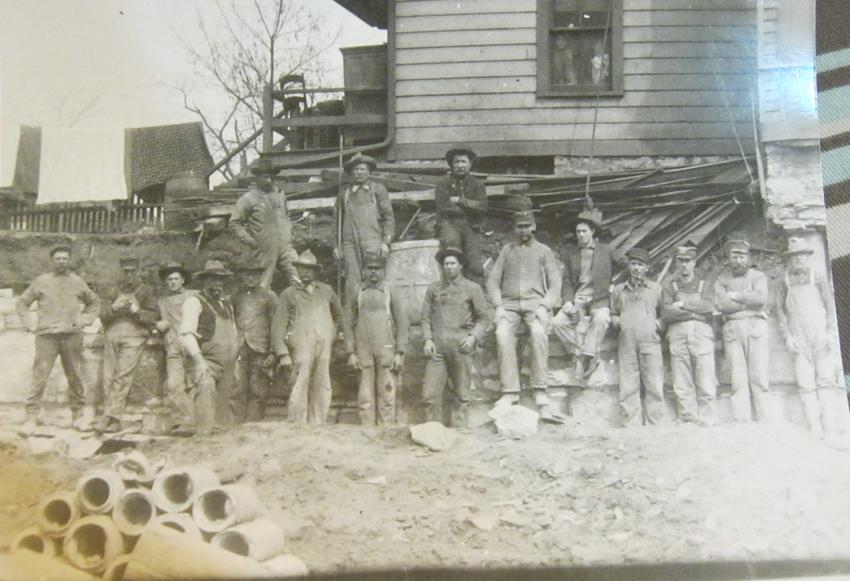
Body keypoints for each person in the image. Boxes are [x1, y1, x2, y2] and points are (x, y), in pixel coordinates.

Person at [16, 244, 100, 433]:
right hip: (47, 337)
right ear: (52, 261)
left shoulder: (77, 281)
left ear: (69, 260)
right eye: (58, 258)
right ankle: (30, 418)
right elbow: (22, 302)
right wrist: (29, 323)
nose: (61, 261)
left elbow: (94, 301)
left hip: (71, 336)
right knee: (40, 376)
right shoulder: (41, 281)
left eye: (64, 258)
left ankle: (78, 417)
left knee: (75, 376)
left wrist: (85, 319)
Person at [486, 210, 562, 418]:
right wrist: (499, 306)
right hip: (509, 305)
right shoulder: (506, 251)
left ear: (534, 227)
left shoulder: (544, 251)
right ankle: (510, 392)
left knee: (538, 333)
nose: (524, 230)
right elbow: (492, 282)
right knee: (502, 334)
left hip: (534, 304)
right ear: (515, 228)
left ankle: (540, 389)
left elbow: (555, 284)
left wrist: (544, 306)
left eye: (527, 226)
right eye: (520, 226)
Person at [775, 237, 840, 436]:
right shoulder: (783, 282)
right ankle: (815, 426)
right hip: (799, 339)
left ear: (807, 256)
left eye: (802, 255)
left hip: (820, 336)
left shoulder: (818, 277)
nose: (798, 259)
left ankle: (830, 425)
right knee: (806, 384)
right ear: (790, 259)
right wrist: (788, 337)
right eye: (794, 256)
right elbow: (780, 312)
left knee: (826, 381)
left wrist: (830, 333)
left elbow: (831, 307)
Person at [420, 248, 491, 427]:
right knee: (430, 393)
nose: (449, 267)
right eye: (446, 264)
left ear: (460, 266)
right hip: (437, 346)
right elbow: (425, 317)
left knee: (462, 393)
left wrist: (473, 337)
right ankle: (432, 430)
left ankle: (459, 431)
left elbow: (484, 317)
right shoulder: (433, 288)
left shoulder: (472, 288)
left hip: (461, 344)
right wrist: (427, 339)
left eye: (453, 263)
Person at [272, 250, 343, 424]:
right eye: (302, 269)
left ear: (316, 272)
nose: (305, 272)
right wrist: (283, 354)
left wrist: (331, 335)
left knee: (322, 384)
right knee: (300, 383)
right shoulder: (288, 294)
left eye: (309, 269)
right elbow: (277, 327)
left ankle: (318, 424)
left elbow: (340, 316)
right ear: (296, 270)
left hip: (323, 346)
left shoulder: (326, 291)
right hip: (300, 346)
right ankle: (297, 425)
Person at [551, 208, 619, 381]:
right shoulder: (571, 253)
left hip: (599, 299)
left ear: (593, 232)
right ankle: (584, 354)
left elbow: (625, 266)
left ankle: (584, 357)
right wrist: (567, 301)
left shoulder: (606, 250)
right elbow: (566, 280)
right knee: (558, 322)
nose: (580, 235)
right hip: (579, 299)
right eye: (578, 231)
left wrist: (614, 284)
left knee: (602, 319)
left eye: (584, 231)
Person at [94, 258, 160, 433]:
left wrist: (136, 311)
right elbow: (102, 315)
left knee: (123, 376)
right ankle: (114, 420)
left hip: (134, 337)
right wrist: (114, 308)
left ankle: (108, 417)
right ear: (122, 272)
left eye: (132, 272)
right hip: (112, 336)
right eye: (126, 272)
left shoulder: (147, 291)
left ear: (138, 271)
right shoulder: (113, 290)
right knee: (108, 378)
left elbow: (154, 316)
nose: (129, 275)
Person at [343, 253, 409, 425]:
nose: (373, 273)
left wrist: (400, 352)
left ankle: (385, 433)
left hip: (386, 350)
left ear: (383, 271)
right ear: (363, 271)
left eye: (377, 269)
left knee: (387, 394)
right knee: (365, 397)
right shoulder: (356, 291)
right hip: (363, 350)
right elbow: (347, 323)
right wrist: (350, 352)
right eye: (369, 269)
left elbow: (403, 323)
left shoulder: (390, 291)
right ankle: (368, 433)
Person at [179, 260, 240, 436]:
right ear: (204, 281)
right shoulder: (195, 302)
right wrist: (199, 362)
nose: (217, 284)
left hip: (227, 366)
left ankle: (219, 450)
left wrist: (236, 361)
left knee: (222, 415)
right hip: (207, 364)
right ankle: (202, 440)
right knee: (205, 396)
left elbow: (233, 333)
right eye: (212, 279)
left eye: (220, 280)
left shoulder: (226, 305)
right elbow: (186, 335)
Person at [714, 239, 771, 422]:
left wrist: (736, 296)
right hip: (731, 330)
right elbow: (722, 305)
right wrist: (747, 303)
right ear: (729, 258)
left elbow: (760, 299)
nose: (738, 261)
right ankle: (742, 422)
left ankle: (764, 420)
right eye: (734, 256)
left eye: (742, 256)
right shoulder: (722, 280)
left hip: (756, 328)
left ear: (748, 257)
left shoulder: (758, 276)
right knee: (737, 379)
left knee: (759, 376)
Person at [661, 244, 716, 426]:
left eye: (688, 261)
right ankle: (687, 416)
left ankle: (708, 416)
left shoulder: (704, 284)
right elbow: (667, 313)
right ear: (676, 263)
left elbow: (708, 307)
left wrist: (682, 305)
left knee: (705, 376)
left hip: (701, 333)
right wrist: (694, 311)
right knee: (681, 378)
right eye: (680, 261)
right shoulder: (670, 286)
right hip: (677, 333)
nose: (684, 265)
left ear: (694, 263)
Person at [610, 247, 665, 427]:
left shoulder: (655, 289)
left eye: (640, 265)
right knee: (628, 384)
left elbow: (665, 314)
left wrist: (657, 324)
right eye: (633, 264)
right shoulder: (619, 290)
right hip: (626, 342)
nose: (636, 268)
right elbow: (613, 312)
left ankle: (655, 423)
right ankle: (631, 423)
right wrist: (618, 321)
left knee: (654, 383)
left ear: (647, 268)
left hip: (650, 342)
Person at [230, 158, 299, 290]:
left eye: (271, 177)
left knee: (298, 280)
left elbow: (286, 216)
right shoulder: (248, 199)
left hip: (286, 247)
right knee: (263, 286)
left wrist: (290, 233)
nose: (269, 180)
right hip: (264, 249)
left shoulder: (279, 194)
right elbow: (234, 223)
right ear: (257, 178)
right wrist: (251, 241)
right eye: (265, 177)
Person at [335, 153, 395, 300]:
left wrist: (386, 242)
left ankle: (379, 314)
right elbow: (336, 222)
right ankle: (352, 318)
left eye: (363, 169)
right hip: (349, 244)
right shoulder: (344, 194)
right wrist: (336, 246)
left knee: (374, 277)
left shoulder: (378, 190)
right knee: (352, 281)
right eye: (356, 170)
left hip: (373, 241)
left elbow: (389, 217)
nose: (359, 173)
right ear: (351, 173)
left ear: (369, 172)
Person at [434, 145, 488, 283]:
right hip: (449, 224)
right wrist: (471, 206)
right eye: (456, 162)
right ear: (452, 164)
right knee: (453, 259)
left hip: (471, 225)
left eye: (463, 162)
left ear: (470, 164)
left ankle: (476, 295)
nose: (460, 165)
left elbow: (482, 206)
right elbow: (444, 207)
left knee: (474, 263)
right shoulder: (443, 183)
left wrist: (460, 200)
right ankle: (452, 292)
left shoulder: (477, 184)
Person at [231, 264, 278, 423]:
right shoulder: (236, 297)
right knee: (237, 386)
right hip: (239, 347)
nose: (250, 278)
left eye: (254, 275)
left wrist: (273, 352)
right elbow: (231, 321)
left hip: (260, 347)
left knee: (258, 388)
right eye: (247, 275)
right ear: (242, 276)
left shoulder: (268, 296)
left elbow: (275, 325)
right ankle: (235, 425)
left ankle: (253, 425)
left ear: (259, 277)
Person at [155, 261, 196, 436]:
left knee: (195, 383)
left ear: (183, 280)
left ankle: (199, 421)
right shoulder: (161, 301)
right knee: (174, 384)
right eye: (169, 279)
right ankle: (183, 422)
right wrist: (157, 324)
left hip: (193, 347)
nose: (172, 282)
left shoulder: (193, 296)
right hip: (172, 349)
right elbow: (152, 320)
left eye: (175, 279)